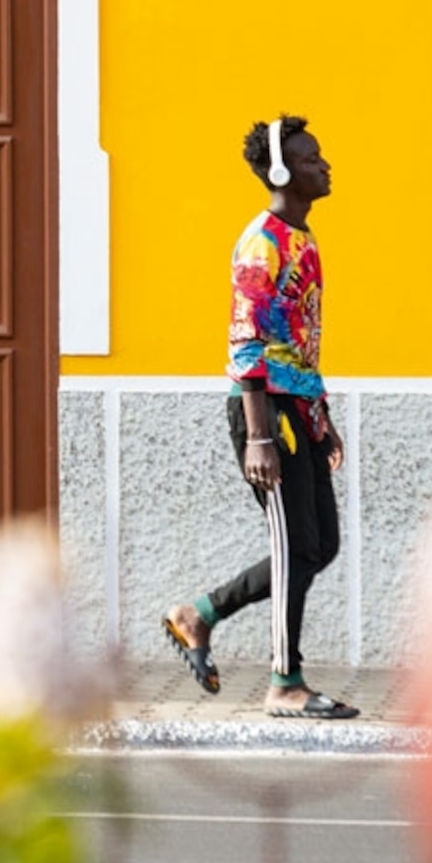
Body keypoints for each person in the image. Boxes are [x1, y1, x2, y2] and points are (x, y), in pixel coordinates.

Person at [160, 115, 358, 721]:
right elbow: (246, 342)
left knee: (319, 545)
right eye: (311, 159)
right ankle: (285, 684)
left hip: (297, 409)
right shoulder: (261, 242)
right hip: (264, 414)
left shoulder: (304, 238)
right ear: (281, 172)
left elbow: (299, 341)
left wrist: (320, 418)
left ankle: (199, 614)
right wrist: (261, 435)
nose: (324, 166)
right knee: (295, 543)